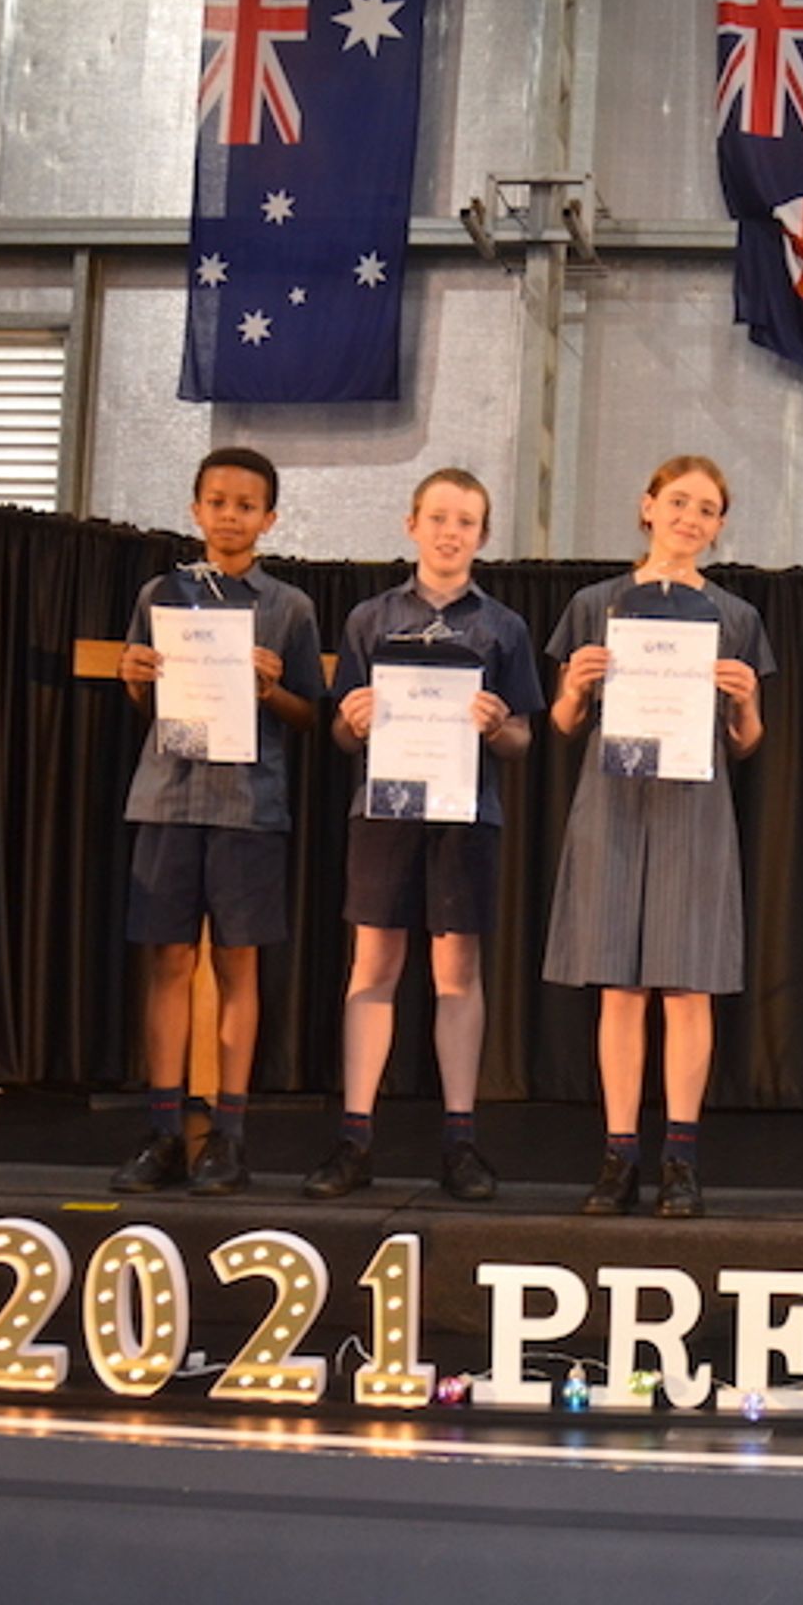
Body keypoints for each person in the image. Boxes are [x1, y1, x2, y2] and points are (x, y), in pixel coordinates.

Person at [301, 469, 543, 1203]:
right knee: (372, 966)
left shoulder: (503, 627)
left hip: (466, 816)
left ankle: (460, 1142)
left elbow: (523, 740)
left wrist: (497, 726)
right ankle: (354, 1138)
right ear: (411, 524)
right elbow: (341, 735)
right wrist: (353, 722)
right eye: (438, 517)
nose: (450, 532)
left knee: (457, 974)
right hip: (385, 813)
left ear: (483, 535)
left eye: (465, 521)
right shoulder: (371, 618)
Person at [543, 455, 773, 1219]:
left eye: (706, 509)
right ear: (647, 507)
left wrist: (745, 705)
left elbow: (746, 742)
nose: (689, 519)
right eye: (678, 502)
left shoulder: (734, 617)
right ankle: (618, 1157)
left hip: (693, 809)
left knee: (687, 987)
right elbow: (564, 724)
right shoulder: (595, 605)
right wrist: (574, 687)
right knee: (619, 987)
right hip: (612, 805)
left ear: (719, 525)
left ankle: (680, 1158)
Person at [108, 445, 323, 1195]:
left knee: (239, 965)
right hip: (167, 799)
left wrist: (270, 691)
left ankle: (228, 1135)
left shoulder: (288, 607)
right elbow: (149, 705)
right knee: (168, 962)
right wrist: (132, 678)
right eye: (218, 502)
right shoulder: (160, 594)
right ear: (195, 510)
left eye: (246, 506)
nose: (230, 516)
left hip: (247, 808)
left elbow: (308, 713)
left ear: (270, 519)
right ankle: (164, 1131)